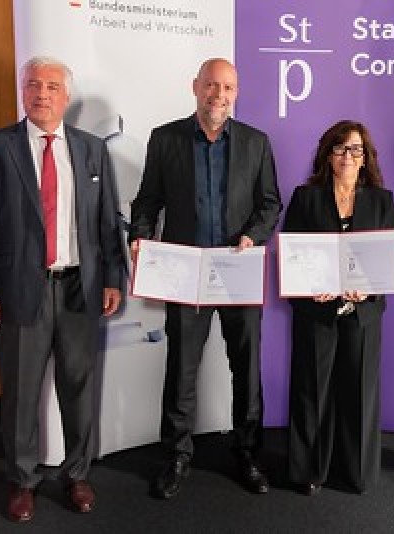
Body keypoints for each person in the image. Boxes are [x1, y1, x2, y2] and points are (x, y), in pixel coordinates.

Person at [0, 56, 125, 522]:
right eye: (33, 84)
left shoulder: (92, 150)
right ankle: (22, 480)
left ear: (66, 96)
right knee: (20, 395)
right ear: (23, 91)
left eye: (52, 86)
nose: (42, 93)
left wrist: (113, 278)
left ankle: (77, 475)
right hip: (19, 291)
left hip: (80, 289)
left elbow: (107, 221)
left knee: (79, 388)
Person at [128, 58, 282, 499]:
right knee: (181, 368)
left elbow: (270, 203)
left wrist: (253, 236)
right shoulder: (165, 139)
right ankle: (177, 455)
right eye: (211, 85)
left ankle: (248, 453)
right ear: (195, 87)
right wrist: (140, 238)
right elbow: (147, 201)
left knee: (246, 368)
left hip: (238, 270)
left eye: (227, 87)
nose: (219, 94)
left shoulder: (255, 142)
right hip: (184, 274)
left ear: (237, 92)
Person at [284, 120, 394, 495]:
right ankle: (309, 471)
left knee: (360, 393)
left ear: (365, 158)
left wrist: (369, 290)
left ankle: (357, 472)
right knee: (312, 391)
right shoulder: (305, 198)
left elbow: (389, 259)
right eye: (339, 148)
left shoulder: (382, 201)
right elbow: (291, 254)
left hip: (363, 316)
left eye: (355, 149)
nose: (347, 156)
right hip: (316, 313)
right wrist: (309, 289)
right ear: (327, 155)